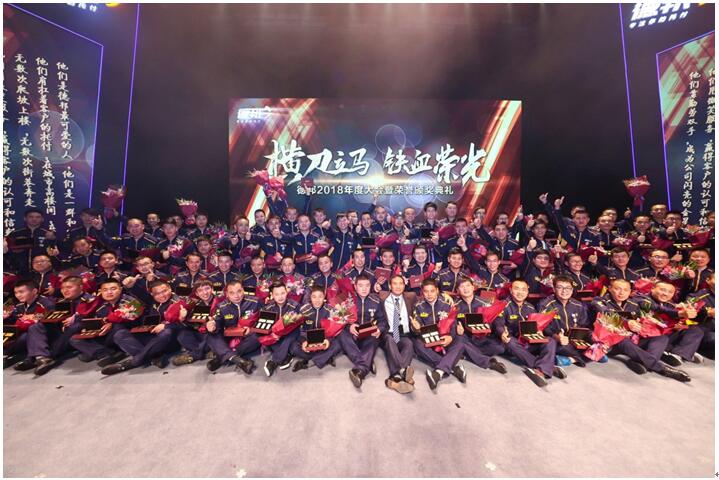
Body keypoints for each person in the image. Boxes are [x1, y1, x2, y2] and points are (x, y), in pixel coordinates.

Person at [590, 279, 690, 382]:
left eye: (625, 290)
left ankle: (642, 363)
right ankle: (662, 369)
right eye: (617, 289)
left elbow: (657, 308)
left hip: (632, 340)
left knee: (661, 338)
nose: (621, 293)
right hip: (609, 342)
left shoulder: (633, 303)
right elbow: (606, 313)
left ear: (630, 291)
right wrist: (627, 322)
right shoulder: (599, 301)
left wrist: (679, 314)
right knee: (623, 340)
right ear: (610, 289)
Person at [15, 276, 95, 375]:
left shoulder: (90, 300)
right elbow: (50, 315)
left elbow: (94, 317)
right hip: (61, 333)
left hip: (79, 335)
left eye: (69, 287)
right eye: (62, 288)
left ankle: (38, 358)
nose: (65, 290)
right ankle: (41, 358)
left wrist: (77, 317)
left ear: (80, 287)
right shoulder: (62, 302)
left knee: (76, 326)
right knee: (35, 327)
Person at [410, 278, 466, 390]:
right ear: (422, 292)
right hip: (429, 339)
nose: (429, 294)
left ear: (437, 290)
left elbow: (453, 324)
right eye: (426, 291)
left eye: (432, 291)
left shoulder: (447, 304)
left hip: (445, 338)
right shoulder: (418, 306)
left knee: (461, 341)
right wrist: (416, 329)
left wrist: (451, 337)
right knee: (416, 344)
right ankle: (452, 368)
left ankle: (437, 373)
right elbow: (417, 329)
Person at [453, 277, 507, 374]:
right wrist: (456, 327)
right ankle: (489, 362)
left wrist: (501, 331)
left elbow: (496, 320)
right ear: (457, 290)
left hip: (482, 337)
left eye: (468, 286)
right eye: (462, 287)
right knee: (460, 341)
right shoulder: (455, 305)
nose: (465, 289)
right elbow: (451, 322)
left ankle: (467, 353)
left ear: (473, 287)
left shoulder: (484, 303)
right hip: (465, 337)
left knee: (500, 348)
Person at [340, 274, 385, 388]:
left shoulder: (376, 301)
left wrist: (379, 329)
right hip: (353, 335)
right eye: (360, 286)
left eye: (367, 285)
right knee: (341, 335)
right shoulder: (348, 300)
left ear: (370, 286)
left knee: (374, 338)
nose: (364, 289)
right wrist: (349, 326)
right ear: (355, 287)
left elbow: (383, 321)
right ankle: (366, 363)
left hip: (368, 334)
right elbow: (339, 320)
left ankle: (359, 370)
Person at [537, 275, 591, 367]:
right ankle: (588, 356)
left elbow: (584, 325)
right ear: (554, 289)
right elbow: (543, 327)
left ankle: (570, 360)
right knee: (593, 352)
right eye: (560, 287)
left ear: (572, 290)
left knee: (601, 347)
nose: (564, 291)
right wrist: (557, 337)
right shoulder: (545, 304)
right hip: (556, 341)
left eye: (568, 288)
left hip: (574, 341)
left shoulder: (578, 305)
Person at [3, 280, 56, 369]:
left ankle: (41, 358)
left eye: (21, 292)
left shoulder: (45, 302)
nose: (18, 295)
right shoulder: (19, 305)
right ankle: (5, 355)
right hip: (27, 334)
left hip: (47, 334)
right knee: (10, 330)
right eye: (16, 292)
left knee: (31, 330)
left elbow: (49, 314)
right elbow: (15, 319)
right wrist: (6, 317)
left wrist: (34, 317)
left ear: (34, 291)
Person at [378, 275, 417, 394]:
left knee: (409, 344)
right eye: (395, 283)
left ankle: (395, 377)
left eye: (401, 283)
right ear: (390, 286)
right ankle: (403, 371)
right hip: (389, 333)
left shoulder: (411, 297)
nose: (398, 286)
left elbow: (427, 298)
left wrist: (445, 296)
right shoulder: (382, 296)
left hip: (404, 334)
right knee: (390, 341)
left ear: (404, 286)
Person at [290, 286, 343, 372]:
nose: (317, 300)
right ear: (310, 297)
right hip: (308, 340)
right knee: (293, 347)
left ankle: (309, 362)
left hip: (324, 340)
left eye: (320, 296)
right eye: (314, 297)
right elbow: (300, 330)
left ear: (324, 297)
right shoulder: (304, 310)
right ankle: (325, 357)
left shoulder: (330, 310)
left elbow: (333, 330)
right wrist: (304, 341)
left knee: (339, 344)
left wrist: (327, 340)